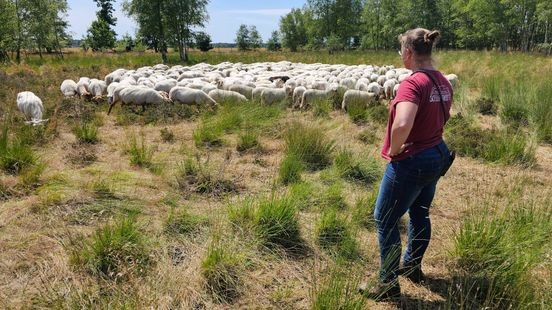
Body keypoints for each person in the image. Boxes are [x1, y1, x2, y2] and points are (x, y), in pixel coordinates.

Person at [360, 28, 453, 300]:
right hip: (437, 152)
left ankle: (387, 284)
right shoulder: (443, 81)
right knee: (420, 211)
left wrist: (395, 148)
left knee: (385, 219)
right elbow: (443, 114)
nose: (401, 55)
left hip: (414, 158)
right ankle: (412, 266)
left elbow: (402, 123)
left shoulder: (413, 83)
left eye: (402, 51)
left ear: (409, 53)